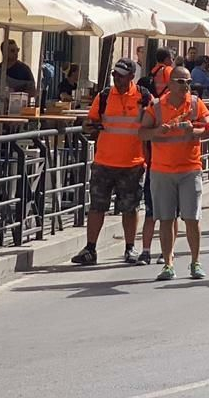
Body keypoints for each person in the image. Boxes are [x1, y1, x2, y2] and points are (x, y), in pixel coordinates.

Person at [73, 59, 149, 266]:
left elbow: (153, 124)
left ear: (131, 76)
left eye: (121, 75)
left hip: (133, 164)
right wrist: (90, 126)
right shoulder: (104, 96)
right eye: (115, 74)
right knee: (97, 207)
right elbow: (89, 123)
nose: (117, 78)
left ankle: (130, 247)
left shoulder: (143, 96)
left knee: (130, 208)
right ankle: (90, 249)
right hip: (104, 162)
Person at [139, 66, 209, 281]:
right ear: (170, 83)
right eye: (181, 81)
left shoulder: (196, 104)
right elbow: (142, 132)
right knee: (166, 219)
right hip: (162, 170)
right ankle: (168, 264)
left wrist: (194, 131)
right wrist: (156, 132)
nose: (185, 86)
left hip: (190, 169)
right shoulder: (157, 106)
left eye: (188, 82)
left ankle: (195, 262)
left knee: (192, 218)